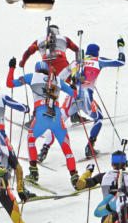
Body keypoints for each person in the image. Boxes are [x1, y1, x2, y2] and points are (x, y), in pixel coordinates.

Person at [7, 58, 80, 188]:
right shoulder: (57, 80)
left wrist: (11, 68)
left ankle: (34, 171)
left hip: (41, 114)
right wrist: (74, 86)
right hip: (57, 116)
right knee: (66, 148)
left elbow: (10, 84)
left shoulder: (32, 76)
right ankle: (75, 177)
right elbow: (74, 93)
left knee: (30, 140)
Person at [46, 40, 125, 159]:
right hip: (87, 96)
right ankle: (90, 146)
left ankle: (43, 150)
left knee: (58, 122)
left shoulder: (75, 62)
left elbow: (58, 79)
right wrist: (121, 48)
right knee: (98, 118)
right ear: (96, 53)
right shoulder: (98, 60)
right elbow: (120, 62)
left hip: (72, 96)